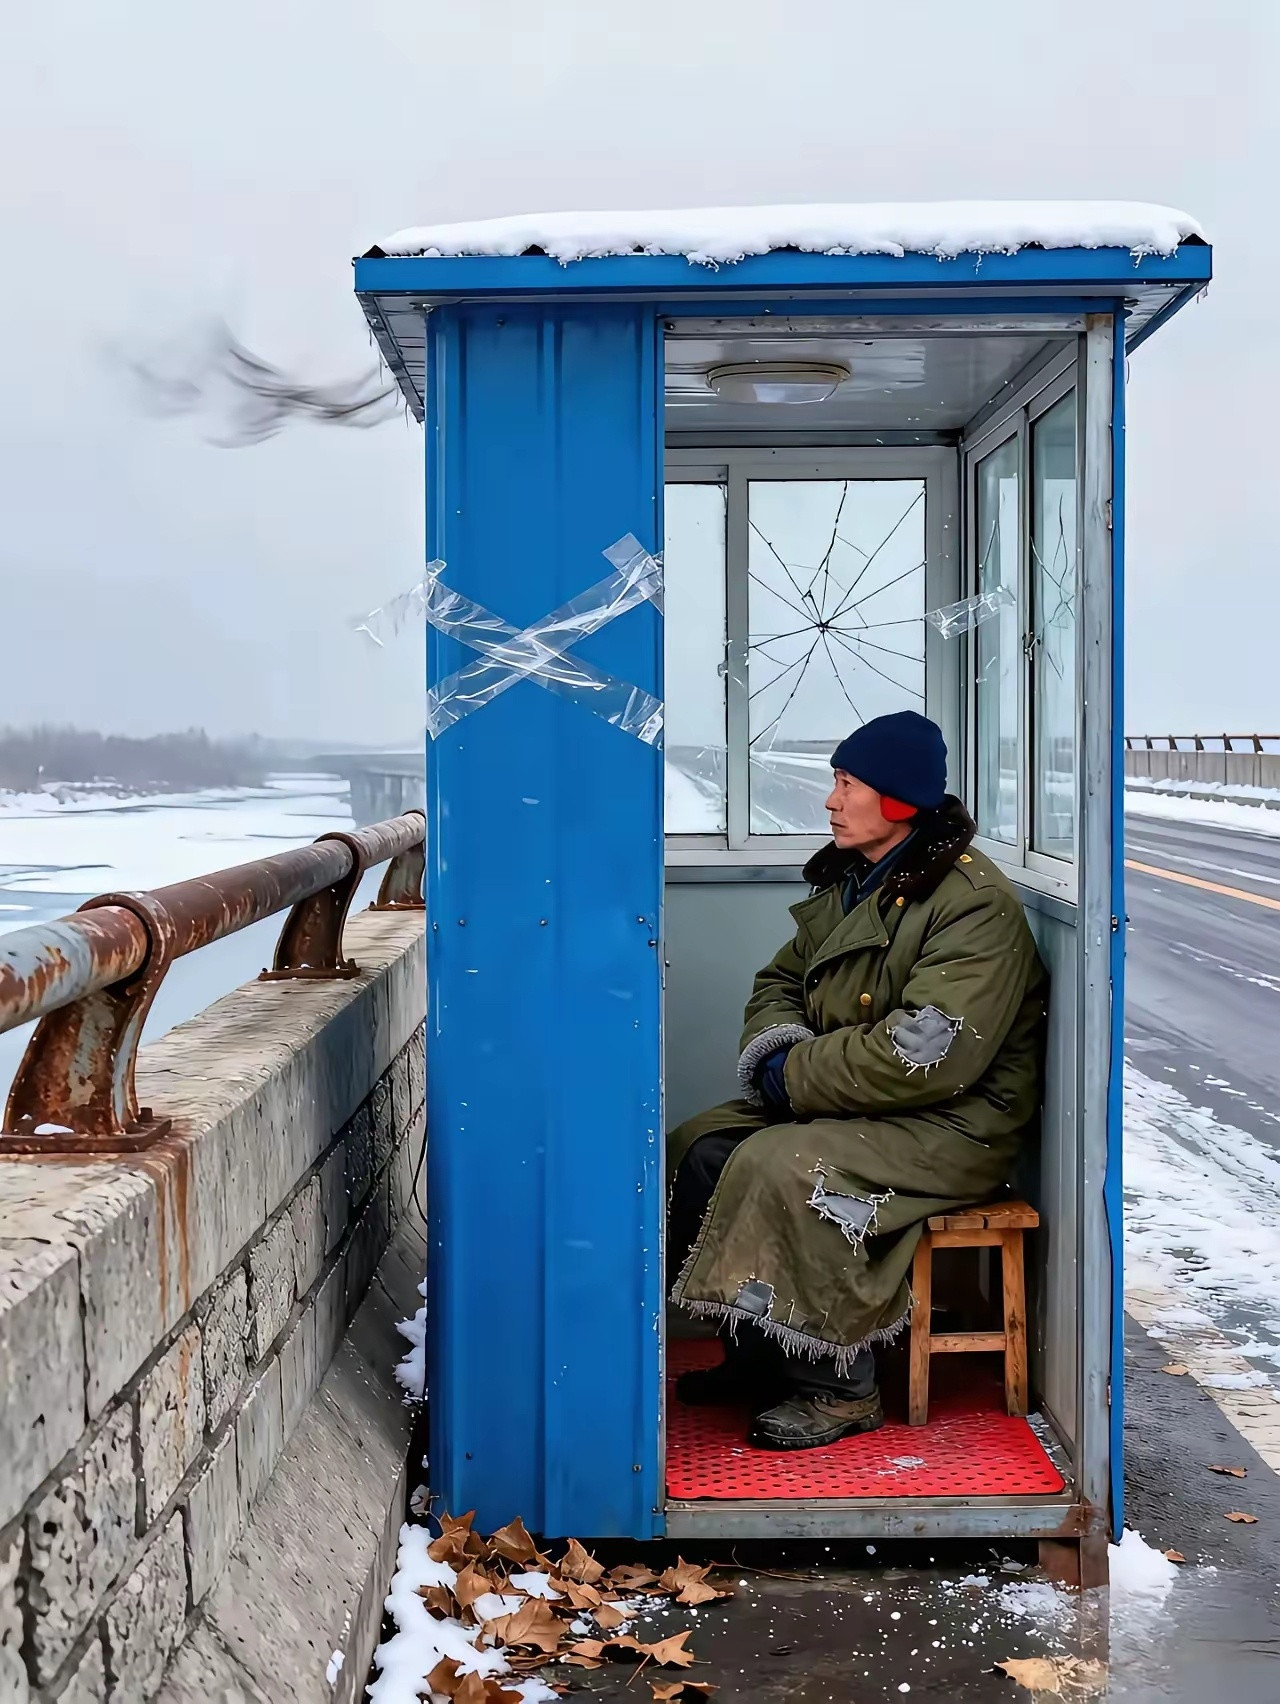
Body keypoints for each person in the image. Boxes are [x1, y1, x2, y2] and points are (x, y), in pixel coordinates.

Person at [668, 710, 1047, 1451]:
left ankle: (840, 1385)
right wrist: (777, 1053)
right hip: (861, 1103)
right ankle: (761, 1353)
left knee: (783, 1165)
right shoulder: (860, 881)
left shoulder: (971, 904)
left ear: (899, 800)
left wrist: (793, 1077)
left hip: (952, 1123)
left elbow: (926, 1055)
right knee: (698, 1148)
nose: (830, 801)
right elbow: (781, 981)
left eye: (847, 784)